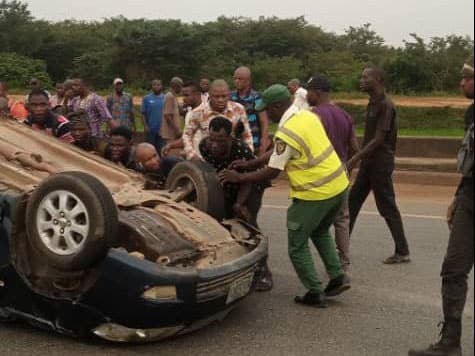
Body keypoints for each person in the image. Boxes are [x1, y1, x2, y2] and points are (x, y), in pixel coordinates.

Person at [219, 84, 351, 307]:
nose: (265, 114)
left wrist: (238, 177)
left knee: (297, 244)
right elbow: (278, 152)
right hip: (338, 187)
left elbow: (273, 170)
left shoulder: (286, 130)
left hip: (315, 193)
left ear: (279, 106)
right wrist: (249, 163)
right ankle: (338, 277)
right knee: (319, 231)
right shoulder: (307, 117)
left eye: (267, 109)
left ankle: (315, 291)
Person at [408, 56, 474, 356]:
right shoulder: (471, 114)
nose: (462, 82)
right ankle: (450, 342)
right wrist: (458, 197)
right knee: (453, 269)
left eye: (467, 77)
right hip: (470, 200)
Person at [347, 67, 410, 264]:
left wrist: (354, 159)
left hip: (380, 163)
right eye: (362, 76)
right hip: (369, 162)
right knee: (352, 202)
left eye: (366, 77)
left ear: (379, 80)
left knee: (387, 205)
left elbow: (379, 139)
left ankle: (402, 251)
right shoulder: (372, 103)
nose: (362, 80)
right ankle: (340, 246)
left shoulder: (385, 105)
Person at [201, 116, 272, 291]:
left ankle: (264, 273)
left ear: (230, 138)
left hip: (250, 185)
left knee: (248, 225)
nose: (214, 144)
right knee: (224, 225)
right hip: (229, 185)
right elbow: (212, 172)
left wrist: (240, 204)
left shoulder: (240, 149)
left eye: (220, 140)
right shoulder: (204, 146)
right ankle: (233, 270)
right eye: (212, 139)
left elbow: (248, 179)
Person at [306, 74, 360, 272]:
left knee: (313, 223)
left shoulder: (314, 116)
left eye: (309, 92)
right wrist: (347, 169)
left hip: (321, 178)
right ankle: (343, 264)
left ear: (317, 93)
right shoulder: (344, 115)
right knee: (342, 220)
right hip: (341, 175)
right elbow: (356, 148)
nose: (307, 95)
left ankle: (320, 267)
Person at [183, 79, 254, 160]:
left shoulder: (238, 109)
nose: (220, 100)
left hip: (233, 159)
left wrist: (247, 155)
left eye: (224, 96)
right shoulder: (199, 112)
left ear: (229, 95)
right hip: (207, 160)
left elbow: (247, 135)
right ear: (209, 95)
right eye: (216, 96)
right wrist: (191, 155)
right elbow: (187, 135)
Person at [231, 66, 271, 155]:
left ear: (248, 80)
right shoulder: (230, 97)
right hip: (233, 142)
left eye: (240, 79)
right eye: (235, 78)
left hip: (253, 142)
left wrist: (264, 141)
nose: (237, 81)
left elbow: (264, 121)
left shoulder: (256, 97)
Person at [162, 81, 203, 157]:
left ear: (197, 95)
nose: (184, 99)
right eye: (183, 95)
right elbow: (186, 137)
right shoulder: (189, 113)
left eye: (187, 95)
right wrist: (171, 145)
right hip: (191, 154)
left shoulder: (205, 112)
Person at [141, 79, 165, 152]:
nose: (156, 86)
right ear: (151, 86)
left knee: (161, 150)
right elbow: (143, 113)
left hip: (162, 130)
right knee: (150, 150)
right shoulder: (146, 98)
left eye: (158, 85)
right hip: (150, 129)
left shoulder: (166, 98)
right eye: (154, 85)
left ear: (162, 86)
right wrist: (145, 126)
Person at [161, 77, 183, 145]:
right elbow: (167, 116)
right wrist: (176, 130)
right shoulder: (169, 96)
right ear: (176, 86)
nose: (181, 89)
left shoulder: (173, 96)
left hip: (172, 132)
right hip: (170, 133)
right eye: (180, 86)